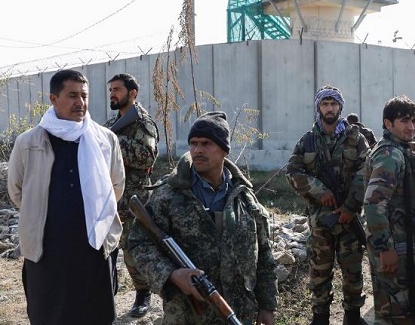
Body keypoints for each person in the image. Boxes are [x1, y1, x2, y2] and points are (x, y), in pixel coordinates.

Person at [128, 111, 278, 325]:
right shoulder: (168, 194)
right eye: (194, 143)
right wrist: (172, 274)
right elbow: (139, 243)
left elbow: (264, 255)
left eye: (207, 143)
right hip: (187, 315)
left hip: (238, 313)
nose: (197, 150)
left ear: (224, 150)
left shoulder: (244, 197)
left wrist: (267, 306)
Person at [7, 69, 125, 325]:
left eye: (84, 96)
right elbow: (17, 191)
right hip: (47, 248)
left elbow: (116, 187)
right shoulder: (29, 142)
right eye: (72, 96)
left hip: (94, 246)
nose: (80, 103)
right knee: (49, 315)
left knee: (96, 313)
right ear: (53, 98)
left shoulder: (105, 140)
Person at [286, 86, 369, 325]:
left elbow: (366, 171)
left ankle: (352, 317)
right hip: (321, 220)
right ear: (319, 108)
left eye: (333, 104)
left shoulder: (356, 138)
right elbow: (293, 172)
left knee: (352, 270)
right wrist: (319, 190)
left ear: (340, 107)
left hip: (348, 216)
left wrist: (350, 206)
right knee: (320, 272)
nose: (329, 108)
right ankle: (320, 317)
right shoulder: (308, 140)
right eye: (325, 104)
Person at [362, 95, 415, 324]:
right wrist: (385, 249)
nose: (411, 127)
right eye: (404, 121)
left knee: (401, 307)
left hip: (402, 240)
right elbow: (373, 204)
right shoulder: (390, 154)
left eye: (414, 120)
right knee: (394, 311)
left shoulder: (401, 150)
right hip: (394, 244)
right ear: (388, 124)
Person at [103, 73, 159, 317]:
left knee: (133, 250)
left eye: (117, 89)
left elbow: (147, 156)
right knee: (106, 250)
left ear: (132, 93)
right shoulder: (110, 124)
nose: (112, 94)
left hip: (134, 199)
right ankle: (107, 294)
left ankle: (142, 294)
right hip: (110, 198)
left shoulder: (142, 123)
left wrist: (115, 143)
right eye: (110, 90)